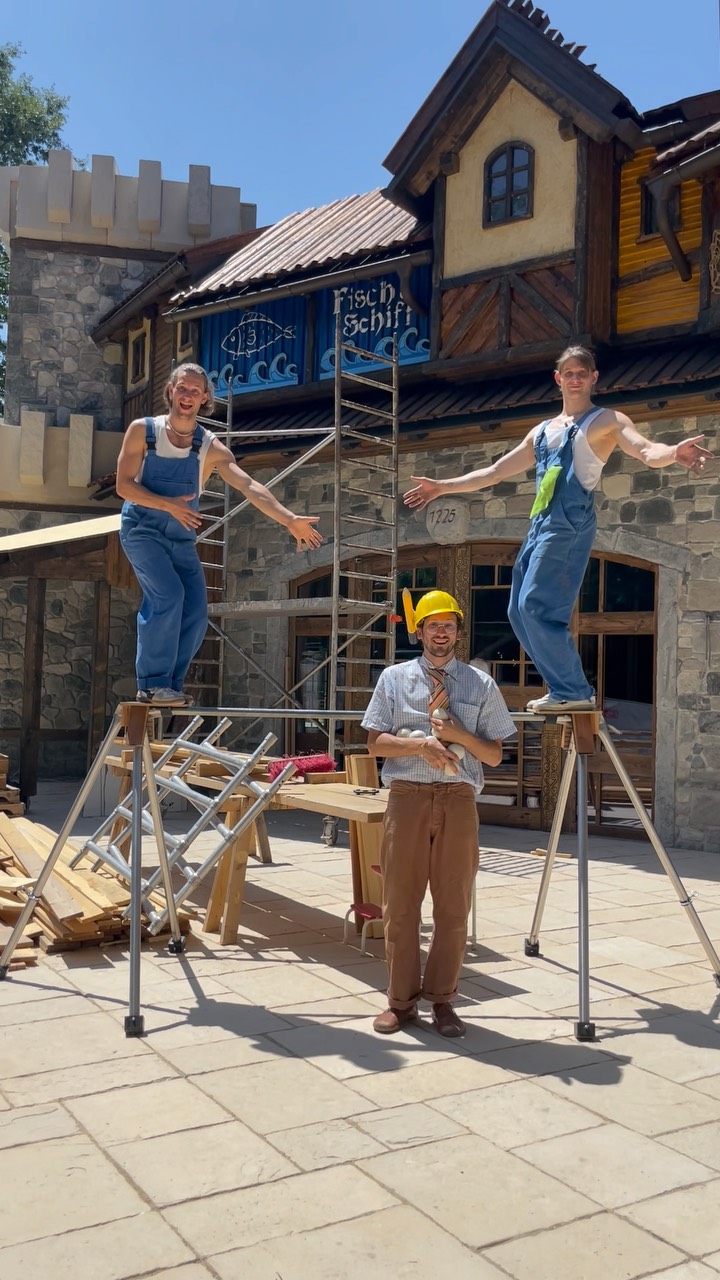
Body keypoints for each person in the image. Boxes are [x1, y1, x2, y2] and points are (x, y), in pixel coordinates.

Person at [404, 346, 712, 714]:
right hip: (541, 523)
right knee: (518, 612)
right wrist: (442, 486)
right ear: (558, 379)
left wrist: (673, 452)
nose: (576, 378)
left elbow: (646, 451)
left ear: (594, 377)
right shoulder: (542, 432)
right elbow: (494, 472)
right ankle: (562, 687)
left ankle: (575, 689)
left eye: (583, 372)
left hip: (569, 521)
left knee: (536, 606)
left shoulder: (607, 421)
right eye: (569, 373)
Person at [116, 362, 323, 707]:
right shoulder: (143, 431)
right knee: (167, 596)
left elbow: (248, 485)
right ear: (170, 390)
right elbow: (123, 486)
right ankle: (151, 684)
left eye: (195, 391)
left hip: (180, 537)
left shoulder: (209, 446)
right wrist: (169, 504)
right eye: (182, 388)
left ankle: (168, 684)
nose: (187, 396)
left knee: (196, 609)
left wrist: (288, 520)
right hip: (141, 529)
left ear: (204, 399)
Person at [362, 589, 515, 1037]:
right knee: (400, 905)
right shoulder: (392, 679)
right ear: (419, 631)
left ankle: (444, 1000)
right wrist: (420, 744)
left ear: (458, 631)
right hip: (407, 796)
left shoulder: (480, 684)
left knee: (453, 907)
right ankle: (400, 1002)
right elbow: (374, 744)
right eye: (433, 624)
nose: (441, 632)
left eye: (449, 624)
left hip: (458, 800)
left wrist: (460, 734)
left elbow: (493, 756)